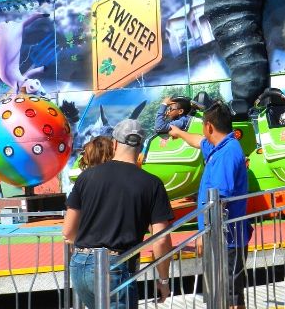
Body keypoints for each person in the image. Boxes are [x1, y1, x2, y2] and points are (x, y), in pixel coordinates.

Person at [63, 119, 173, 309]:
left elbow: (68, 231)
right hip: (116, 266)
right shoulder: (152, 184)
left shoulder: (87, 176)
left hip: (80, 265)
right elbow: (161, 240)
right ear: (141, 146)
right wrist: (163, 280)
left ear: (114, 143)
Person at [168, 101, 252, 309]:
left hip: (226, 239)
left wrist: (204, 234)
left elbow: (218, 200)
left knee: (231, 298)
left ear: (209, 127)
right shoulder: (220, 145)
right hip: (220, 238)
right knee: (220, 295)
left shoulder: (227, 153)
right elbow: (198, 141)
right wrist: (179, 132)